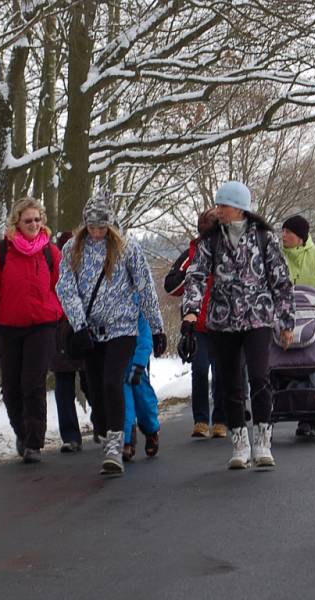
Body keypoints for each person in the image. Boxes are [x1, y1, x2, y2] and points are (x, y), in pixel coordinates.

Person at [182, 181, 295, 470]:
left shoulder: (264, 237)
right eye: (218, 205)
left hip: (258, 317)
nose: (218, 210)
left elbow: (281, 280)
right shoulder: (210, 240)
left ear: (240, 208)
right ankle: (239, 442)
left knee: (259, 377)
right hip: (222, 319)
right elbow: (195, 276)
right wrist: (191, 312)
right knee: (229, 382)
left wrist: (286, 321)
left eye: (223, 205)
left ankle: (262, 441)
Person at [56, 191, 166, 476]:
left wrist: (157, 329)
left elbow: (146, 289)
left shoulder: (127, 249)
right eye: (91, 226)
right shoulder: (72, 250)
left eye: (101, 227)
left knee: (112, 382)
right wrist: (79, 325)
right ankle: (106, 432)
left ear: (111, 225)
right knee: (94, 388)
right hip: (90, 330)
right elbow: (66, 289)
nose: (95, 232)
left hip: (123, 329)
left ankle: (116, 446)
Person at [0, 198, 63, 464]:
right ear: (17, 223)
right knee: (10, 387)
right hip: (8, 327)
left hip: (43, 326)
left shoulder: (51, 253)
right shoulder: (1, 252)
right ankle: (21, 432)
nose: (34, 224)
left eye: (37, 219)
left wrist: (67, 318)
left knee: (33, 382)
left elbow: (64, 289)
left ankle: (34, 443)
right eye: (28, 220)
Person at [164, 208, 227, 438]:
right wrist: (191, 273)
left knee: (221, 373)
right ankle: (201, 421)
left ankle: (221, 420)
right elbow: (170, 285)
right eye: (202, 232)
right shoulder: (191, 251)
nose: (205, 237)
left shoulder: (228, 249)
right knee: (199, 370)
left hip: (223, 323)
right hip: (197, 324)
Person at [281, 214, 315, 435]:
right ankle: (303, 415)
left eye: (288, 233)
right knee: (293, 365)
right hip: (288, 319)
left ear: (300, 238)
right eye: (283, 232)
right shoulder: (279, 259)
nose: (283, 236)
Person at [51, 232, 89, 454]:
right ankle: (70, 437)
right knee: (64, 385)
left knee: (89, 382)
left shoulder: (89, 266)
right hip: (61, 330)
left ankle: (100, 424)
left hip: (83, 328)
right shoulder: (54, 266)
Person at [122, 310, 161, 461]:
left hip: (136, 364)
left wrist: (139, 363)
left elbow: (145, 337)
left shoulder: (139, 306)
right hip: (119, 363)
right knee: (125, 404)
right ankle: (127, 440)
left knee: (144, 401)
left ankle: (151, 431)